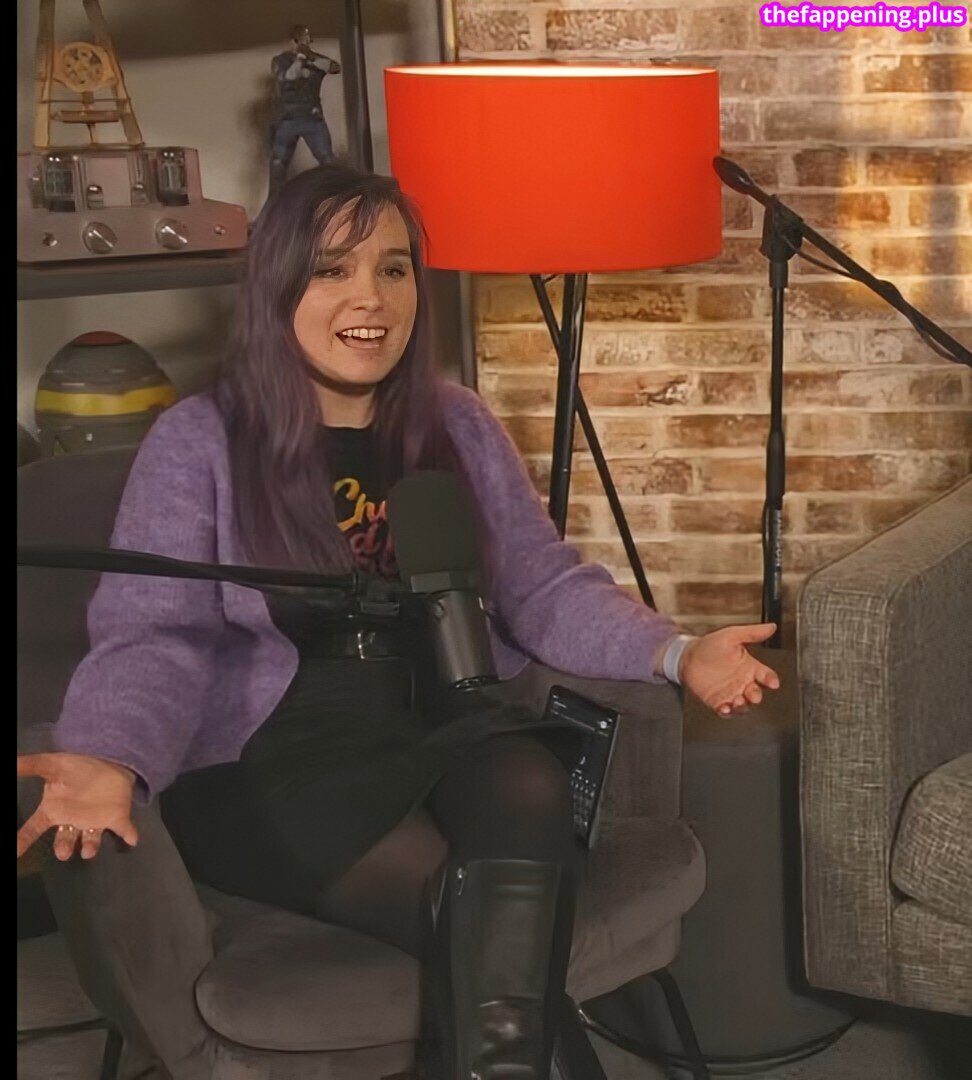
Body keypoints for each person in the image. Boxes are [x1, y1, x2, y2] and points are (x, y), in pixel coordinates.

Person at [16, 161, 781, 1078]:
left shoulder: (457, 424)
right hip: (276, 751)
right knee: (478, 918)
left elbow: (542, 586)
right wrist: (111, 753)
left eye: (392, 267)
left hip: (436, 714)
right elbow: (155, 633)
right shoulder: (202, 440)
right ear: (277, 287)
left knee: (530, 787)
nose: (369, 297)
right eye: (331, 270)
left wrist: (677, 651)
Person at [268, 25, 341, 198]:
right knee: (278, 167)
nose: (303, 43)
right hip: (288, 119)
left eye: (306, 40)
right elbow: (288, 77)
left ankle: (337, 200)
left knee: (328, 163)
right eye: (299, 40)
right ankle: (272, 208)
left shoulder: (315, 59)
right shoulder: (281, 61)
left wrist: (311, 59)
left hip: (312, 119)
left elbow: (334, 67)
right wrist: (300, 58)